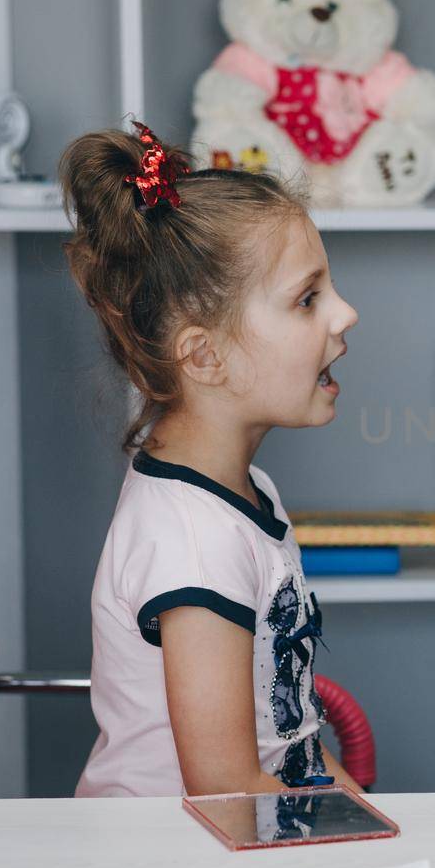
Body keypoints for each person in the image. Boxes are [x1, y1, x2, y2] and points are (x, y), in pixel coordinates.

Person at [62, 122, 360, 797]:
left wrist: (379, 829)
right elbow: (228, 790)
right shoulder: (194, 544)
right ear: (204, 355)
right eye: (307, 298)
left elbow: (293, 744)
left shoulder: (244, 492)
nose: (345, 314)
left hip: (237, 842)